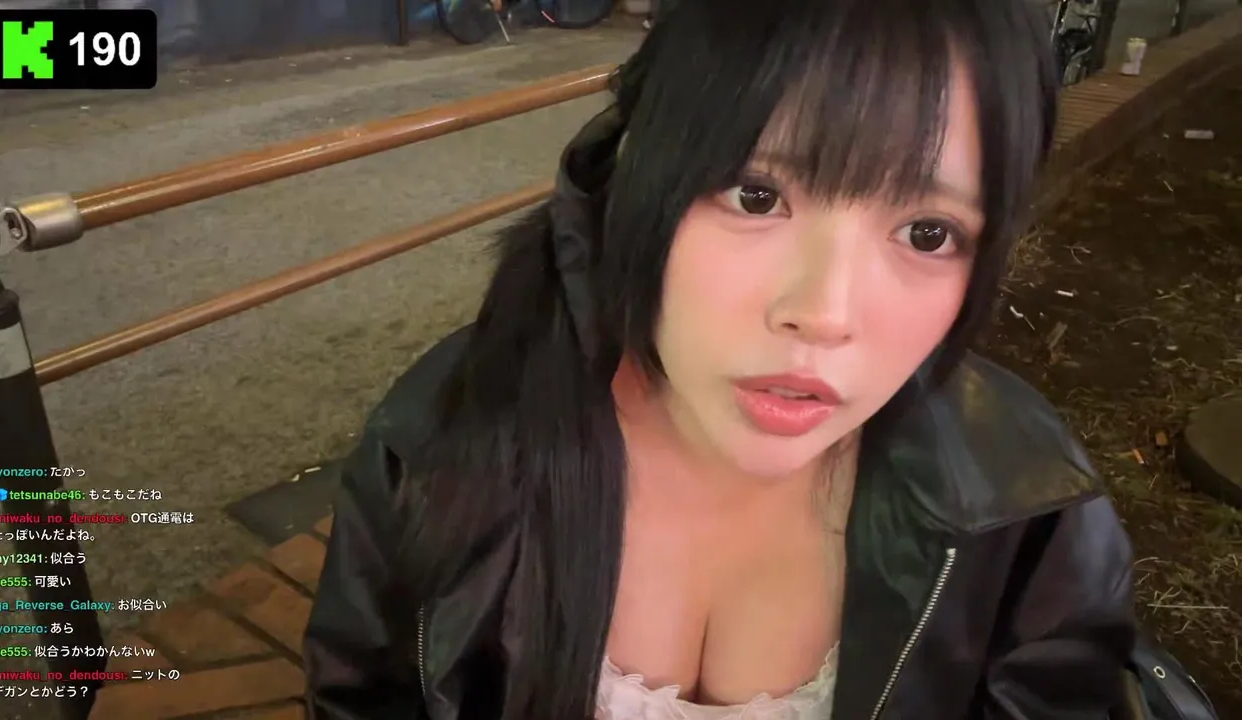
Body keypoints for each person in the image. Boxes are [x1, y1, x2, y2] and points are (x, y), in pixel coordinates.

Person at [303, 0, 1137, 718]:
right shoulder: (439, 445)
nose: (824, 314)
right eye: (757, 195)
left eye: (927, 233)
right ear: (641, 171)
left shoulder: (1025, 511)